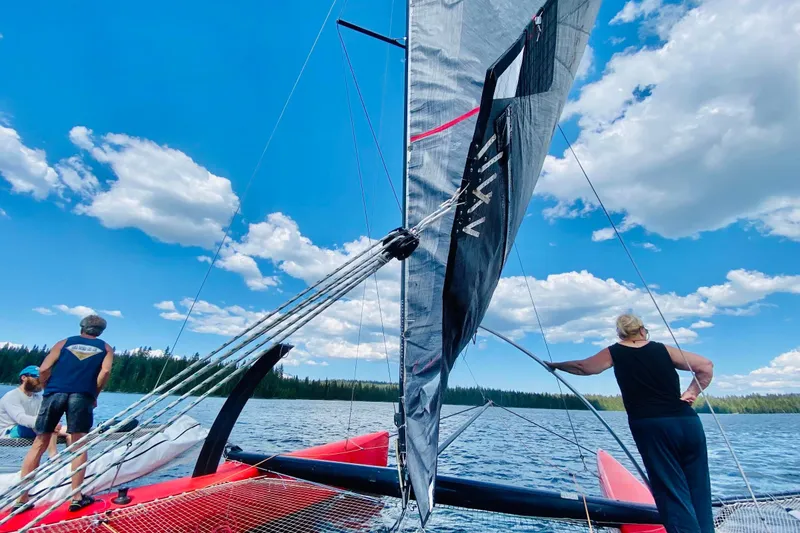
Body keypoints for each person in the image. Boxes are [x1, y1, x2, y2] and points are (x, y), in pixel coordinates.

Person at [545, 314, 715, 533]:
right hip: (688, 423)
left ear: (620, 333)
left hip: (653, 427)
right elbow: (706, 366)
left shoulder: (615, 351)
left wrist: (556, 365)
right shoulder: (664, 349)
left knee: (671, 492)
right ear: (643, 330)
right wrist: (691, 394)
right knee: (699, 489)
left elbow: (583, 367)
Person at [16, 315, 114, 513]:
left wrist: (46, 385)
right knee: (78, 444)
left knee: (40, 443)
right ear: (101, 331)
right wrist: (94, 394)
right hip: (82, 396)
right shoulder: (106, 348)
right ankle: (76, 497)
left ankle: (21, 498)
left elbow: (44, 368)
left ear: (82, 327)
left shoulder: (63, 343)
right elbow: (104, 372)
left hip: (54, 393)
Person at [0, 366, 65, 457]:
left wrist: (55, 422)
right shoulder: (11, 396)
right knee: (48, 427)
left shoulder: (37, 397)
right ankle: (53, 457)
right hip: (9, 431)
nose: (41, 382)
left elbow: (45, 414)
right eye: (37, 378)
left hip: (32, 427)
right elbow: (21, 418)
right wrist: (47, 423)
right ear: (24, 378)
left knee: (71, 431)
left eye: (42, 379)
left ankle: (74, 462)